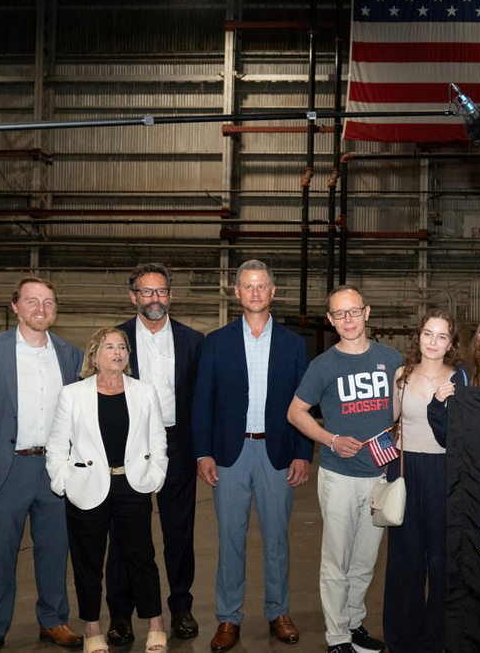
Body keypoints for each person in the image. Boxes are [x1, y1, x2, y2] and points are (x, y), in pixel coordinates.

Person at [191, 260, 313, 653]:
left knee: (277, 539)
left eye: (262, 286)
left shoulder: (295, 345)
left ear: (273, 292)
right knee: (230, 539)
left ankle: (279, 612)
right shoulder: (217, 341)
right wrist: (203, 453)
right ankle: (228, 618)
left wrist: (303, 453)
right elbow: (202, 403)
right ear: (237, 292)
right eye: (248, 286)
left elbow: (306, 405)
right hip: (230, 454)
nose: (255, 292)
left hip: (278, 454)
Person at [0, 277, 86, 653]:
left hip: (53, 470)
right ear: (15, 306)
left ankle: (53, 620)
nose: (41, 309)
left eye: (48, 302)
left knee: (54, 550)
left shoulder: (70, 355)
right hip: (4, 470)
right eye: (32, 301)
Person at [45, 327, 170, 653]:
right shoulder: (72, 394)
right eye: (109, 347)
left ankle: (156, 625)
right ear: (95, 355)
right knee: (87, 563)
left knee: (142, 558)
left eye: (122, 347)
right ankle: (91, 629)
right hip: (86, 488)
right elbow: (56, 445)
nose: (117, 352)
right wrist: (63, 483)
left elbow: (158, 440)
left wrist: (155, 475)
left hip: (133, 486)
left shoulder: (145, 391)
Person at [288, 286, 398, 653]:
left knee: (365, 563)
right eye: (339, 314)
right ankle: (337, 638)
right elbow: (295, 412)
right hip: (339, 477)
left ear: (367, 313)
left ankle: (353, 625)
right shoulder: (323, 365)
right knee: (336, 562)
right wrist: (330, 439)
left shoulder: (391, 357)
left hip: (381, 477)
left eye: (354, 312)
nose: (348, 320)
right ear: (331, 320)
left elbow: (403, 408)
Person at [105, 263, 204, 645]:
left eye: (160, 291)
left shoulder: (194, 341)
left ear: (171, 296)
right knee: (127, 534)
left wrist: (203, 452)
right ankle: (121, 615)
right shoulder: (116, 340)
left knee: (179, 534)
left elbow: (202, 401)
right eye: (146, 292)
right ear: (133, 296)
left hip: (178, 446)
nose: (154, 299)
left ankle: (181, 607)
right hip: (128, 448)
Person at [383, 309, 463, 653]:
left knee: (442, 559)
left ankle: (437, 637)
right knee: (406, 559)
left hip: (443, 472)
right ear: (418, 337)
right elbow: (391, 424)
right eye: (428, 334)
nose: (433, 342)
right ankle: (403, 638)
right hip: (404, 468)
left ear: (451, 343)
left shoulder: (460, 380)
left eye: (442, 336)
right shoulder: (402, 375)